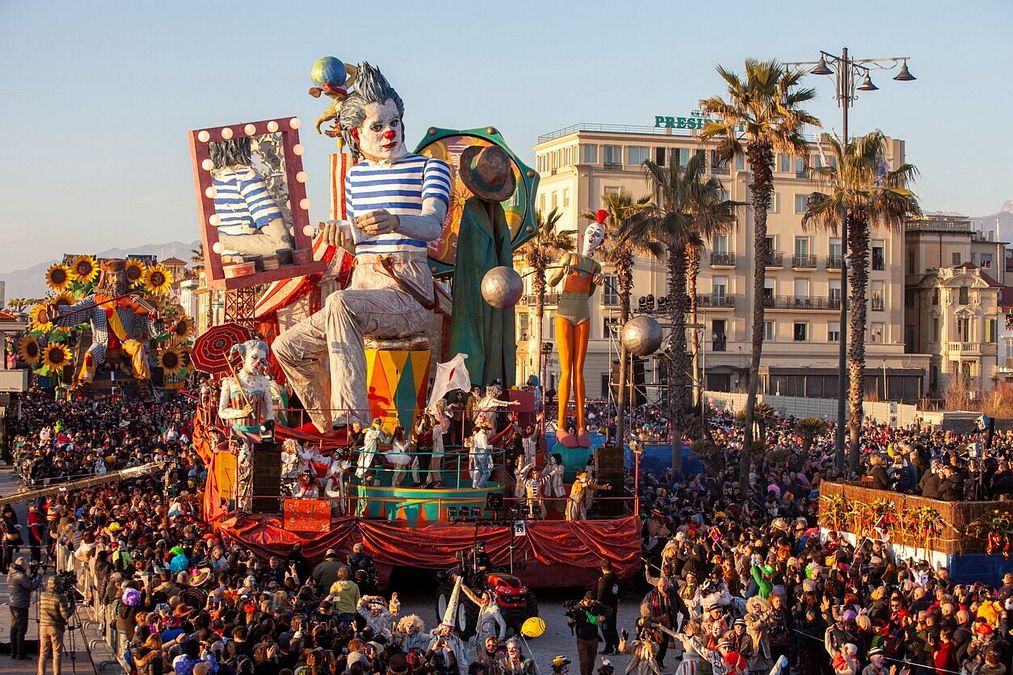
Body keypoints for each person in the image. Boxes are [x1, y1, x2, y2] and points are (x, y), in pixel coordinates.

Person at [273, 62, 452, 433]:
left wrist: (397, 221)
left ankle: (353, 418)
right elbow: (359, 237)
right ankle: (330, 430)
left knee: (339, 302)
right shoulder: (355, 176)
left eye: (394, 122)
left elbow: (433, 224)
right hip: (364, 286)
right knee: (286, 347)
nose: (389, 131)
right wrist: (341, 233)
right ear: (357, 132)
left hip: (407, 291)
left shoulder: (429, 167)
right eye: (378, 126)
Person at [448, 144, 518, 388]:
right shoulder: (481, 212)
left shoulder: (489, 213)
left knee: (483, 328)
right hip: (480, 287)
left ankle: (479, 380)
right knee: (479, 328)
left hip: (487, 287)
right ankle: (478, 378)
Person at [547, 216, 604, 448]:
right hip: (565, 312)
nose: (593, 236)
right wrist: (562, 270)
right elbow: (551, 281)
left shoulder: (595, 267)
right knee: (566, 370)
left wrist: (596, 282)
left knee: (578, 370)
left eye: (598, 234)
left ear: (600, 242)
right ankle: (561, 425)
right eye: (591, 231)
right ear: (583, 235)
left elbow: (588, 293)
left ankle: (581, 427)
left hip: (583, 313)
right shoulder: (569, 257)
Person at [38, 575, 73, 675]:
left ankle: (41, 673)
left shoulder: (43, 595)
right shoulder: (60, 598)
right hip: (55, 627)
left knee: (43, 653)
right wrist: (72, 607)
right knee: (56, 654)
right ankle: (57, 673)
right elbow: (65, 615)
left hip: (43, 626)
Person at [567, 591, 608, 675]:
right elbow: (572, 623)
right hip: (582, 639)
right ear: (585, 599)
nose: (592, 603)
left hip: (593, 638)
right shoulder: (577, 608)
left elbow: (609, 610)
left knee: (591, 661)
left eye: (594, 601)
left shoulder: (596, 605)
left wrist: (604, 617)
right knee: (584, 661)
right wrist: (570, 621)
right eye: (590, 601)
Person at [7, 556, 41, 660]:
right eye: (26, 566)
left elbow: (25, 583)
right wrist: (39, 575)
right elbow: (31, 585)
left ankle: (13, 651)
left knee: (14, 628)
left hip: (13, 603)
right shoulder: (20, 576)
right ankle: (20, 653)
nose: (27, 568)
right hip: (20, 605)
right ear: (22, 566)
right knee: (21, 629)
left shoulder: (11, 573)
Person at [597, 561, 621, 655]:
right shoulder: (616, 578)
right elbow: (618, 592)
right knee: (613, 627)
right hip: (614, 606)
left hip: (605, 607)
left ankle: (609, 648)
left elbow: (600, 595)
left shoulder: (603, 580)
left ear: (602, 568)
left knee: (605, 627)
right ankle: (617, 645)